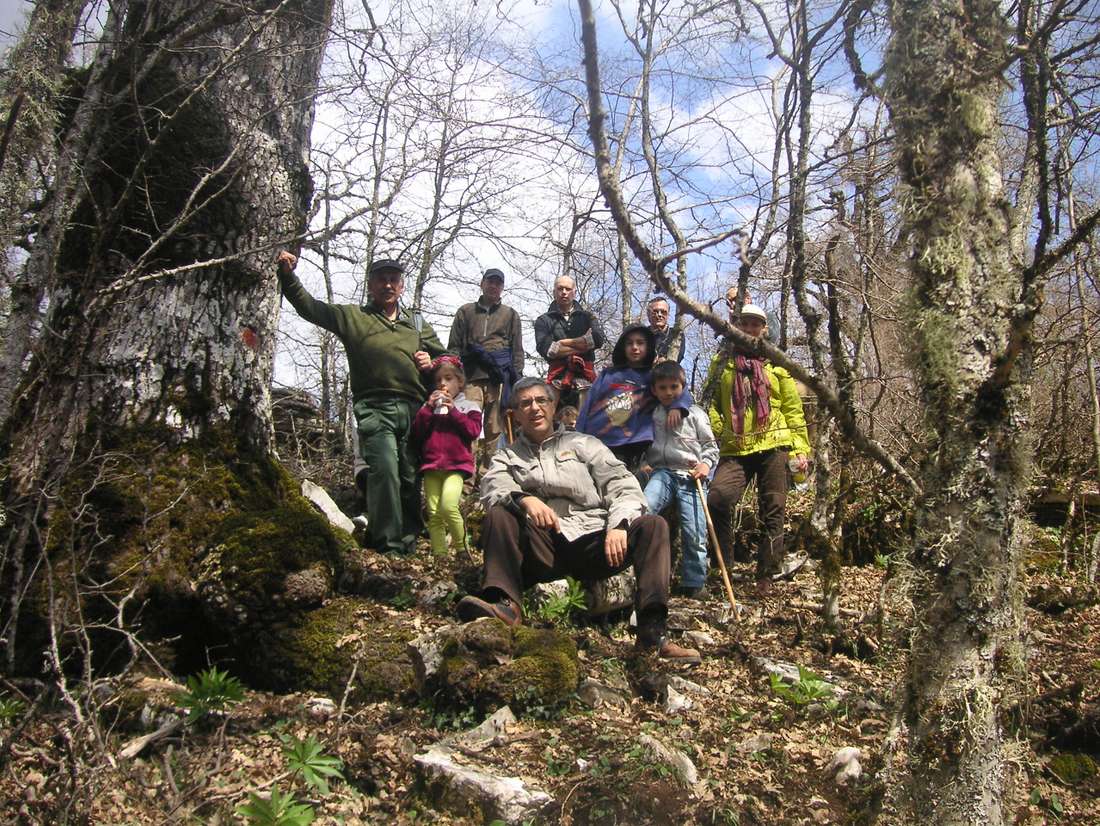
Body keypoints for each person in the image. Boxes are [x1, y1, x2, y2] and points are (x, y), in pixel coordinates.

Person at [457, 377, 700, 664]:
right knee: (500, 512)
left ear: (553, 406)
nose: (534, 408)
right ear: (516, 414)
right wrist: (524, 499)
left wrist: (619, 525)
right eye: (525, 404)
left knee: (653, 525)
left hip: (595, 542)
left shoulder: (584, 443)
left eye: (541, 401)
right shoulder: (507, 456)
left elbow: (623, 485)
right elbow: (492, 487)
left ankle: (652, 632)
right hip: (543, 547)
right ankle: (505, 605)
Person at [276, 251, 447, 554]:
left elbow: (449, 361)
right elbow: (311, 308)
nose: (388, 285)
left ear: (402, 286)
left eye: (394, 280)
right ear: (370, 285)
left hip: (413, 408)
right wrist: (288, 276)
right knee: (384, 472)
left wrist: (430, 362)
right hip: (374, 407)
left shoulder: (417, 324)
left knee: (409, 474)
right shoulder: (354, 317)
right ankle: (387, 543)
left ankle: (407, 540)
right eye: (381, 279)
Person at [706, 304, 811, 580]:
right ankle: (724, 567)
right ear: (736, 326)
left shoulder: (776, 361)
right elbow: (712, 403)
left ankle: (767, 571)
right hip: (736, 446)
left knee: (773, 507)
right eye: (745, 323)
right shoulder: (722, 362)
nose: (750, 329)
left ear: (764, 329)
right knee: (718, 498)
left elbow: (792, 407)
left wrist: (800, 448)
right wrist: (720, 429)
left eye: (756, 324)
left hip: (774, 443)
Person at [641, 361, 719, 598]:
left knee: (694, 527)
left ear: (682, 387)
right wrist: (643, 462)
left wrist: (706, 465)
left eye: (673, 387)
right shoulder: (650, 414)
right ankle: (639, 572)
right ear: (654, 390)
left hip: (690, 475)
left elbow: (710, 446)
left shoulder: (695, 414)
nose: (668, 392)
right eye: (662, 387)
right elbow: (641, 442)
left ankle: (694, 581)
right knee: (643, 508)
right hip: (661, 472)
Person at [574, 324, 688, 473]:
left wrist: (677, 407)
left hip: (633, 445)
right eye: (629, 343)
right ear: (623, 346)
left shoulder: (653, 377)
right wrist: (577, 436)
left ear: (648, 347)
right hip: (598, 441)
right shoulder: (608, 374)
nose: (635, 347)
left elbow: (680, 389)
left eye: (640, 343)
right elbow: (587, 405)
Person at [447, 268, 524, 474]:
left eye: (498, 283)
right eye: (490, 282)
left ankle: (489, 477)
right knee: (467, 426)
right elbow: (453, 347)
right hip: (470, 377)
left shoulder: (510, 314)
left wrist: (517, 380)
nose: (493, 286)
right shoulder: (466, 311)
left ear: (502, 288)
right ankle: (464, 477)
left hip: (498, 379)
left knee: (495, 429)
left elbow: (517, 350)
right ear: (482, 283)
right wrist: (452, 377)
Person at [411, 356, 482, 556]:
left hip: (456, 466)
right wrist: (427, 408)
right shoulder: (429, 407)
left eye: (449, 378)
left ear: (460, 381)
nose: (443, 384)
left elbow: (473, 431)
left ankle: (461, 548)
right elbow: (417, 433)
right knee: (433, 513)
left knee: (448, 506)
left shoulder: (469, 406)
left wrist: (454, 412)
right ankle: (440, 554)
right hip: (432, 466)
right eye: (438, 380)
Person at [534, 275, 606, 408]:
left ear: (574, 292)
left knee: (585, 422)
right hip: (556, 378)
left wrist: (561, 344)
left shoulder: (587, 317)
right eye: (560, 288)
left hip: (585, 377)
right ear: (554, 291)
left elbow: (598, 339)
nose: (564, 292)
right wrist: (584, 343)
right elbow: (547, 350)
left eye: (568, 289)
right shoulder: (543, 320)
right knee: (553, 421)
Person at [646, 296, 684, 363]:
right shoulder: (640, 335)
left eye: (663, 312)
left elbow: (677, 357)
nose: (659, 315)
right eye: (655, 311)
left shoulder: (676, 335)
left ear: (668, 315)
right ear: (648, 315)